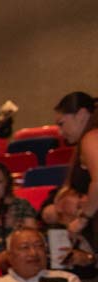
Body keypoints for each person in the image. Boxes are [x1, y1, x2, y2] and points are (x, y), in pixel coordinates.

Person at [56, 91, 98, 249]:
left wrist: (83, 218)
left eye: (61, 123)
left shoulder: (91, 137)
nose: (60, 132)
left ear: (81, 114)